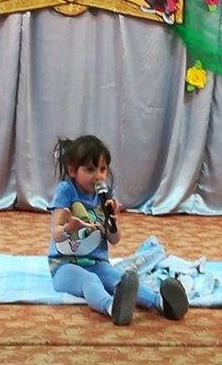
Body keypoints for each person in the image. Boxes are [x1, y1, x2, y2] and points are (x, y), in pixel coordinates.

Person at [48, 135, 189, 326]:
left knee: (121, 279)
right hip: (65, 266)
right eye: (90, 169)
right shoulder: (66, 190)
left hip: (97, 263)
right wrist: (67, 228)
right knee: (90, 281)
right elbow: (56, 234)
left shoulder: (105, 195)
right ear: (72, 170)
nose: (98, 176)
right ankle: (112, 307)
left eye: (102, 169)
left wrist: (112, 222)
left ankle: (163, 304)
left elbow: (114, 239)